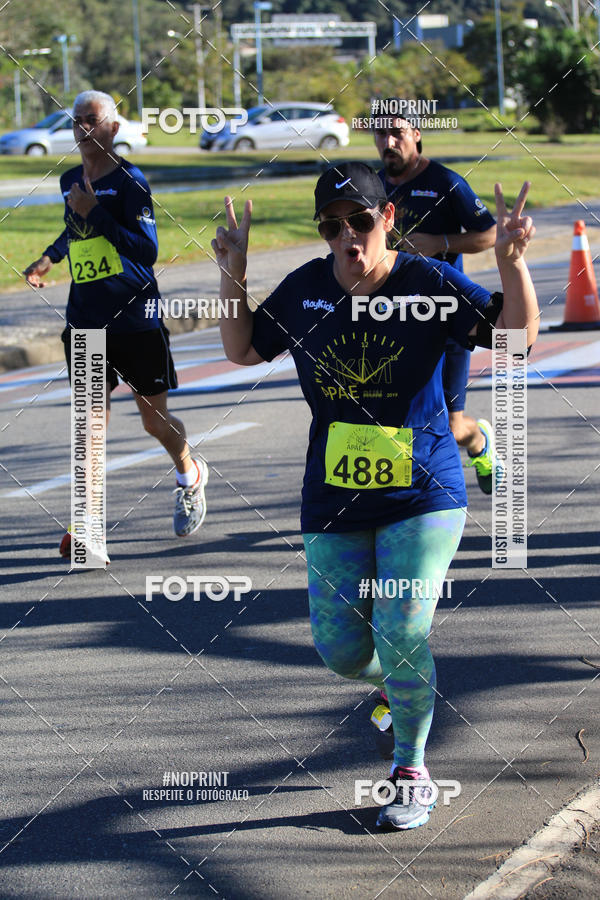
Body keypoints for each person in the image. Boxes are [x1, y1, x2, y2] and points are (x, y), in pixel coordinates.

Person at [213, 161, 538, 829]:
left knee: (402, 628)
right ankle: (401, 682)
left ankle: (410, 770)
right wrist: (233, 271)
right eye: (331, 227)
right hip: (333, 498)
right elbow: (243, 348)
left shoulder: (427, 283)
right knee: (342, 652)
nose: (347, 238)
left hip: (424, 492)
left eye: (359, 222)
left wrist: (511, 264)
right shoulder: (306, 289)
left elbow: (516, 340)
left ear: (387, 218)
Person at [24, 90, 207, 556]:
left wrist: (97, 213)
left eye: (92, 119)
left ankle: (189, 473)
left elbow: (146, 250)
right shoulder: (69, 178)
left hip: (135, 320)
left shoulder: (131, 182)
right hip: (86, 320)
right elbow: (75, 226)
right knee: (90, 425)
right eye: (77, 120)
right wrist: (50, 256)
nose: (83, 128)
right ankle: (87, 528)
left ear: (113, 128)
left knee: (154, 421)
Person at [374, 109, 502, 495]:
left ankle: (478, 441)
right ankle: (401, 500)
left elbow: (490, 234)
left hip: (446, 317)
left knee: (451, 426)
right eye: (380, 134)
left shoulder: (446, 182)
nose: (388, 142)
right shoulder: (374, 185)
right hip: (394, 319)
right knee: (392, 417)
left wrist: (440, 243)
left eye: (397, 133)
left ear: (416, 134)